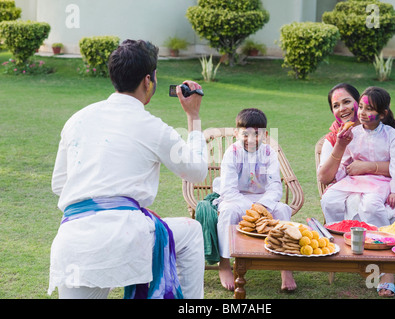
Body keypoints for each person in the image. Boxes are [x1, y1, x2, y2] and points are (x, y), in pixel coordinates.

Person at [48, 40, 208, 299]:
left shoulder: (77, 119)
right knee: (191, 232)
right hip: (126, 239)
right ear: (148, 80)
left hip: (74, 243)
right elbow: (198, 172)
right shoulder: (153, 127)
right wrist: (194, 118)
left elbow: (59, 185)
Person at [320, 86, 395, 297]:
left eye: (348, 102)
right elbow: (334, 171)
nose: (344, 109)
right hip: (355, 184)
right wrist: (340, 151)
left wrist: (392, 186)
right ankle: (346, 249)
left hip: (383, 185)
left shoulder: (391, 135)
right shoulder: (344, 135)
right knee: (330, 198)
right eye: (336, 105)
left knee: (389, 208)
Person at [214, 108, 296, 291]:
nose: (251, 139)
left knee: (282, 210)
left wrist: (261, 205)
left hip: (263, 199)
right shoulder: (232, 153)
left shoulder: (269, 154)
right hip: (236, 198)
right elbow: (228, 189)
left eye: (256, 134)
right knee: (227, 212)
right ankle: (225, 263)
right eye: (245, 134)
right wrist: (252, 208)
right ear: (236, 133)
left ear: (265, 135)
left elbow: (275, 186)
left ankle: (285, 267)